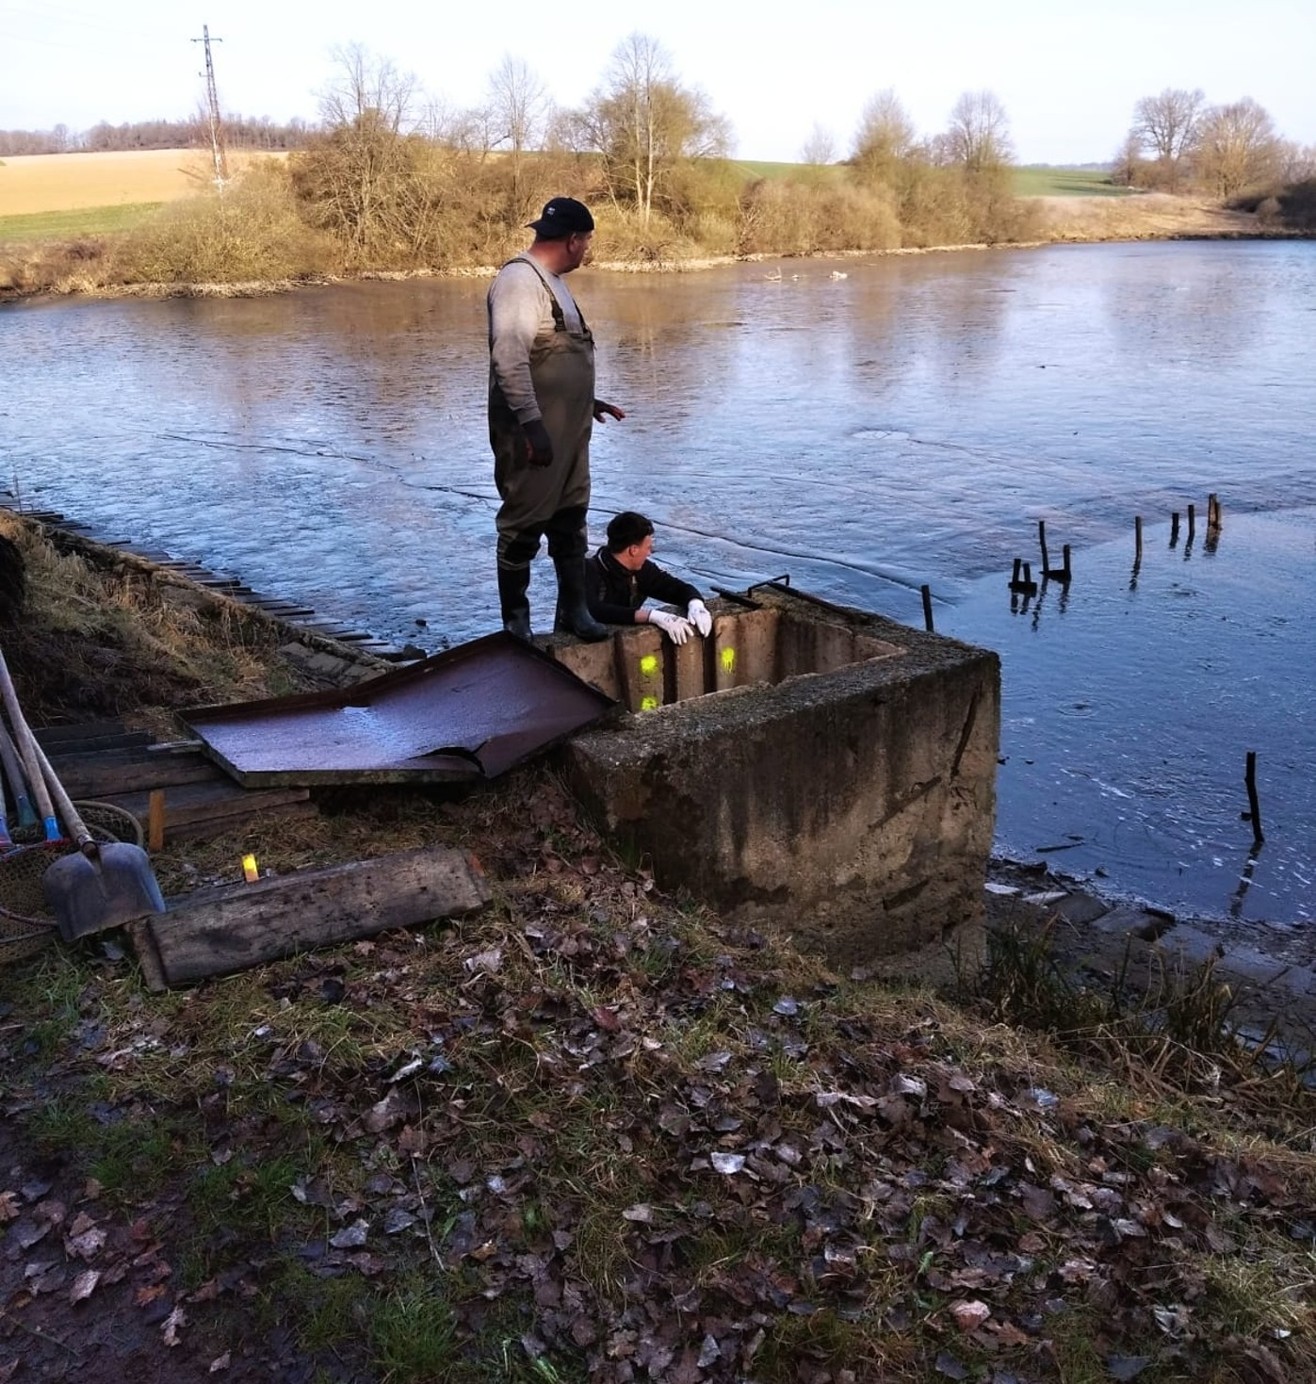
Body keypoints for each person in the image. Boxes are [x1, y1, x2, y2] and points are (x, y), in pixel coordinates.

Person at [487, 196, 625, 643]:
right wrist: (533, 427)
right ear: (573, 240)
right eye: (587, 242)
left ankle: (575, 613)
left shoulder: (554, 283)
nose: (587, 250)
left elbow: (553, 362)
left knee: (570, 522)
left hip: (568, 433)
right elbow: (510, 360)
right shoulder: (518, 282)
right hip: (534, 438)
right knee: (523, 526)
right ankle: (517, 623)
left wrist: (588, 401)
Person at [585, 511, 713, 645]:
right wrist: (652, 616)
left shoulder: (641, 570)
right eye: (648, 547)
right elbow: (595, 610)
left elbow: (674, 587)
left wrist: (695, 604)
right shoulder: (587, 570)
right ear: (633, 550)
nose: (650, 553)